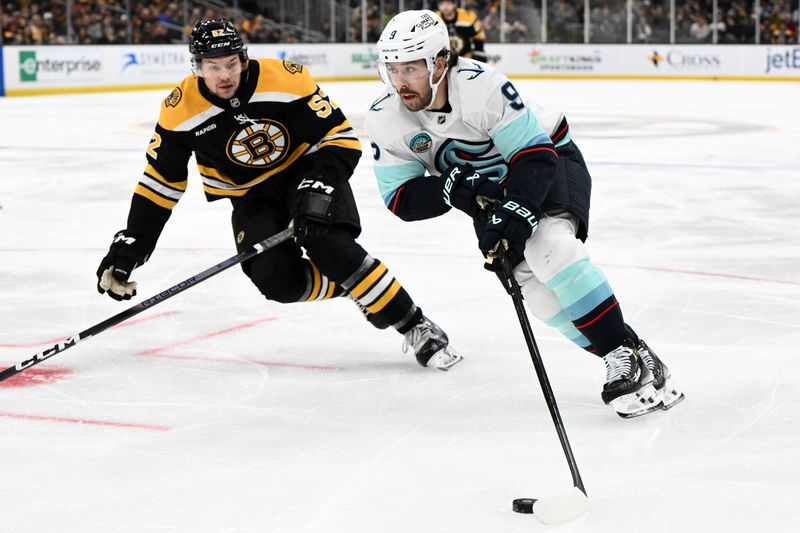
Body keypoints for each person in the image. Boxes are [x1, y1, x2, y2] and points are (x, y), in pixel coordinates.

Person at [364, 10, 684, 417]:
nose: (400, 81)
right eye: (392, 69)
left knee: (549, 247)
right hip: (489, 191)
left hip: (548, 162)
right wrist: (453, 189)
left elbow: (533, 155)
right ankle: (635, 354)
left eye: (410, 68)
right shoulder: (384, 116)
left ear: (439, 62)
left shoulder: (480, 88)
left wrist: (515, 207)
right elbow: (401, 198)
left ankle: (621, 355)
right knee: (537, 294)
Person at [95, 18, 461, 371]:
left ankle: (414, 324)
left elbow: (342, 139)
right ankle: (358, 287)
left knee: (333, 249)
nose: (224, 75)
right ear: (197, 67)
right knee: (277, 281)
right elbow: (161, 182)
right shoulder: (179, 111)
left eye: (231, 63)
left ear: (243, 58)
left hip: (308, 172)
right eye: (212, 66)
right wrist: (133, 244)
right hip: (251, 195)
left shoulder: (285, 80)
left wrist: (317, 186)